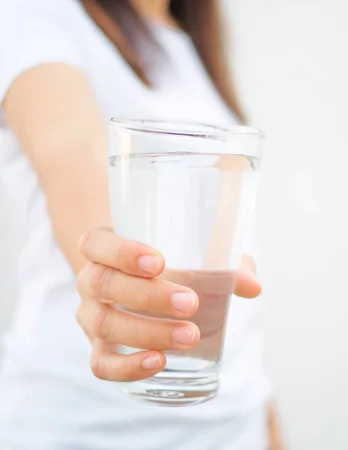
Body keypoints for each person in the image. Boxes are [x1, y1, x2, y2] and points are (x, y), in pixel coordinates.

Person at [0, 0, 283, 448]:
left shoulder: (186, 39)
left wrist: (264, 417)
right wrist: (120, 277)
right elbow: (73, 160)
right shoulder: (35, 15)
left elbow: (233, 282)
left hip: (231, 424)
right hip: (86, 426)